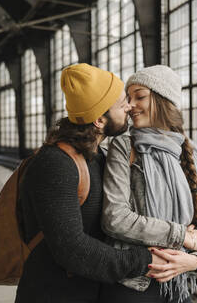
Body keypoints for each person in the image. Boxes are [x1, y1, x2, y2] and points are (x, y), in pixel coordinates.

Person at [16, 63, 160, 302]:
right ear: (99, 121)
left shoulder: (98, 157)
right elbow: (72, 249)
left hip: (90, 292)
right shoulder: (55, 164)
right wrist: (146, 259)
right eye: (122, 102)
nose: (129, 106)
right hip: (53, 294)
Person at [101, 65, 197, 302]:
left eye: (140, 96)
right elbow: (114, 217)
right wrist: (181, 237)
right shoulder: (124, 147)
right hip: (134, 284)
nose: (130, 105)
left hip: (179, 284)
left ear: (162, 99)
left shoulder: (193, 154)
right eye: (129, 98)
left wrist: (195, 260)